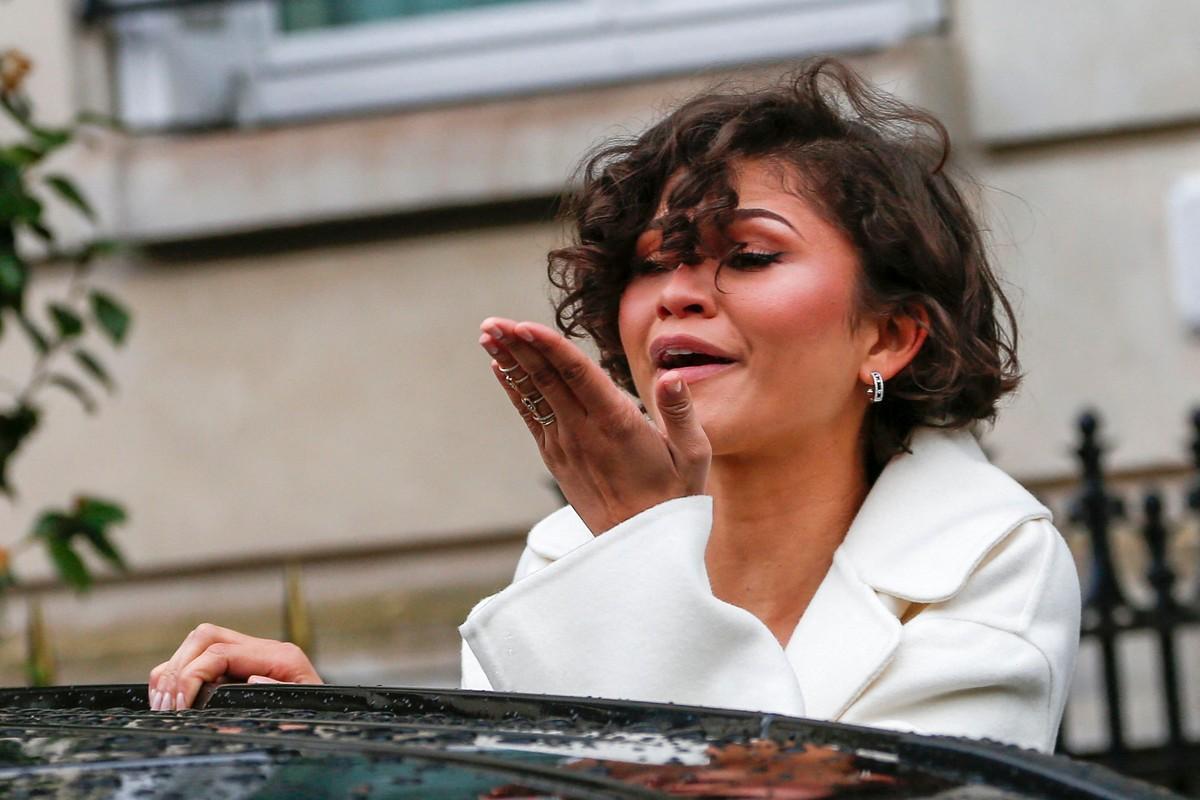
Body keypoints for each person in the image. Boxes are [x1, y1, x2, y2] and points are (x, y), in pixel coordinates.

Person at [147, 59, 1080, 753]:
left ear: (889, 337)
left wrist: (647, 553)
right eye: (649, 265)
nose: (677, 293)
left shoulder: (988, 563)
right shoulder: (569, 555)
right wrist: (336, 741)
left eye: (747, 256)